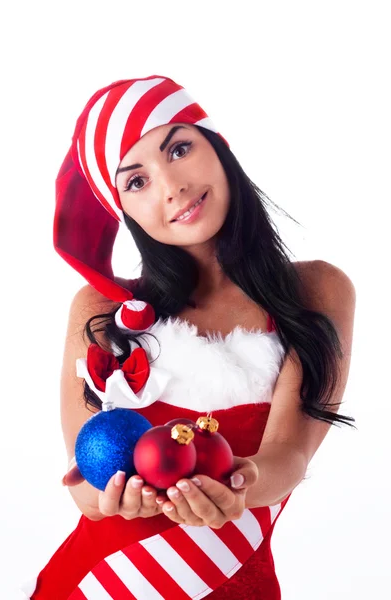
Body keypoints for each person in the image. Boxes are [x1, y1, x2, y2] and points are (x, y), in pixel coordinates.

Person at [21, 74, 356, 599]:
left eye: (179, 148)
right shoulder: (102, 310)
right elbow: (83, 483)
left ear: (218, 147)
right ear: (122, 209)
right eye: (136, 181)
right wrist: (111, 493)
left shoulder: (316, 290)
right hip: (93, 583)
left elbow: (289, 455)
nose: (171, 186)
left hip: (233, 580)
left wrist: (240, 484)